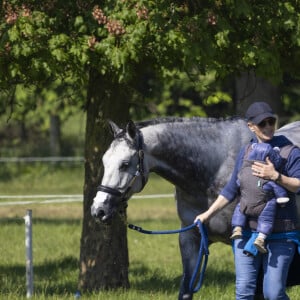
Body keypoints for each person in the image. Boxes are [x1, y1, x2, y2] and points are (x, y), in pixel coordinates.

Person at [194, 101, 300, 300]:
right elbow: (231, 189)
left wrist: (276, 176)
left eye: (271, 122)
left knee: (274, 294)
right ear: (251, 126)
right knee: (243, 292)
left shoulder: (290, 151)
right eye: (263, 124)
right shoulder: (245, 152)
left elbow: (298, 185)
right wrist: (207, 215)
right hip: (246, 233)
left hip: (281, 234)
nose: (269, 127)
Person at [230, 142, 289, 254]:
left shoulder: (244, 172)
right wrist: (282, 198)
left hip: (246, 203)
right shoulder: (266, 175)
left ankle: (237, 227)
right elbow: (277, 188)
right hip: (262, 206)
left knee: (240, 207)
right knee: (268, 211)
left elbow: (238, 183)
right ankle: (261, 238)